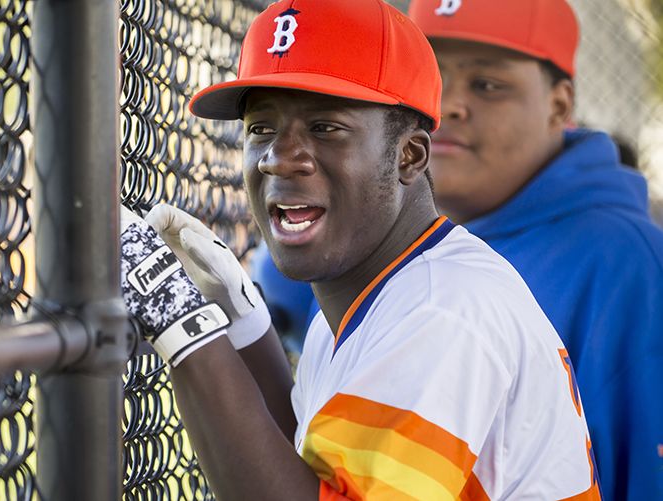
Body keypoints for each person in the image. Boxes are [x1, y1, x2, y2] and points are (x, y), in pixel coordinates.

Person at [120, 0, 601, 498]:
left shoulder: (442, 311)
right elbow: (309, 473)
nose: (278, 159)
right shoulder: (372, 293)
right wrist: (243, 323)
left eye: (326, 128)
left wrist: (181, 326)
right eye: (261, 128)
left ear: (409, 156)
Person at [406, 1, 663, 499]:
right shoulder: (395, 235)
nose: (448, 105)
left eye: (487, 85)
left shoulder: (628, 265)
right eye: (430, 78)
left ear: (559, 105)